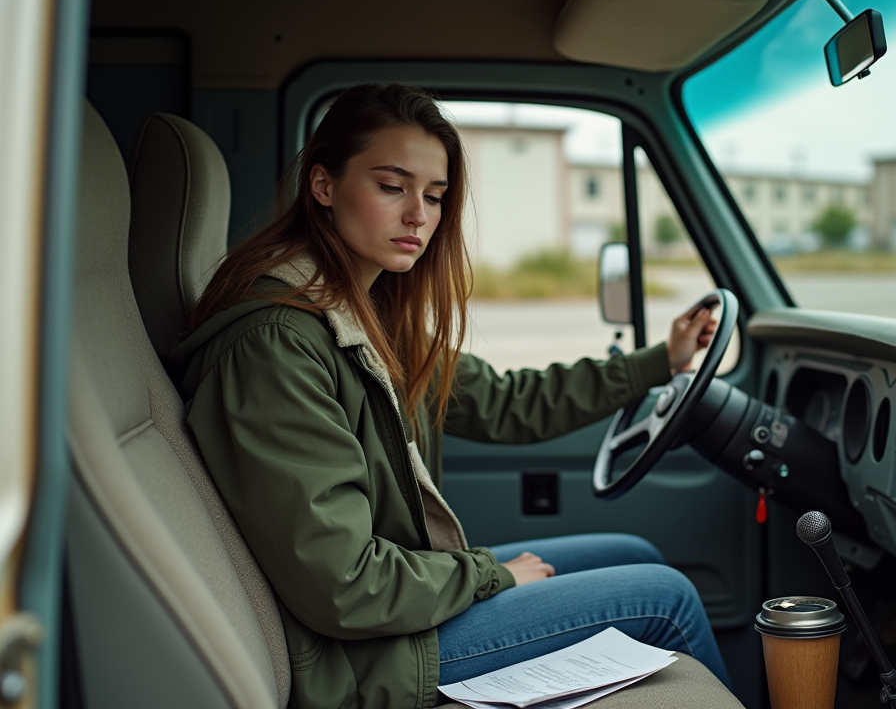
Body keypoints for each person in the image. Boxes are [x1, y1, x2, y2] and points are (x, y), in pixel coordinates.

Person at [168, 83, 732, 709]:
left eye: (435, 197)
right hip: (358, 659)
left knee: (634, 552)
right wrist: (490, 574)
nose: (419, 216)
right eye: (391, 186)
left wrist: (661, 363)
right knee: (666, 596)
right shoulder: (277, 343)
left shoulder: (366, 316)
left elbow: (506, 402)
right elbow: (344, 584)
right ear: (323, 186)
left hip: (397, 612)